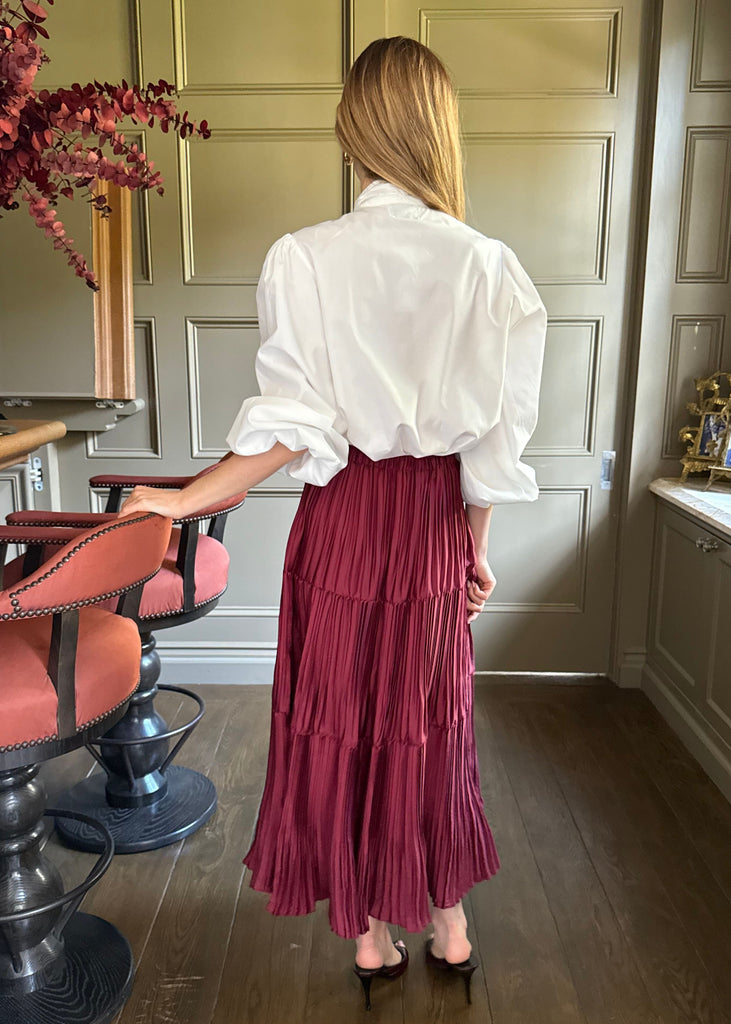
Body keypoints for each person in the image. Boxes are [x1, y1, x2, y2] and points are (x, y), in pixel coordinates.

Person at [120, 35, 547, 1011]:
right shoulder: (489, 267)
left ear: (353, 129)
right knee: (429, 721)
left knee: (342, 721)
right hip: (434, 521)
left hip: (343, 520)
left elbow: (289, 428)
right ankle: (449, 921)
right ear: (439, 128)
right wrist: (475, 551)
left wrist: (187, 497)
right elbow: (496, 439)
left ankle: (366, 934)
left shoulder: (303, 258)